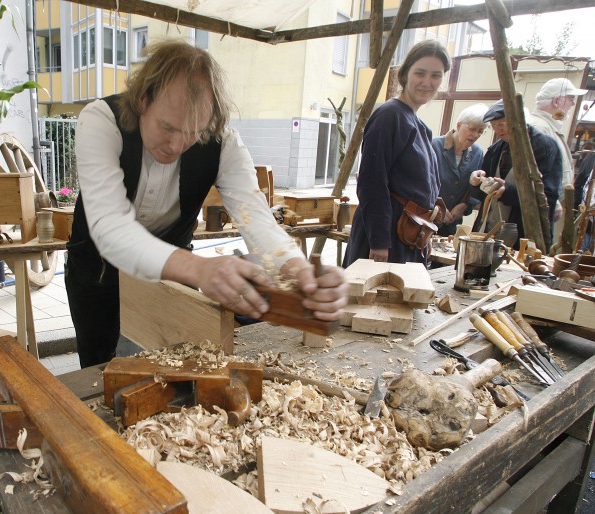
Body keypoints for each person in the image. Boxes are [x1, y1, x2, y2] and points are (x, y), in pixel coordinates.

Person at [65, 40, 349, 368]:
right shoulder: (100, 120)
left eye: (193, 132)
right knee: (98, 371)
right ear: (143, 99)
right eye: (167, 127)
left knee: (176, 366)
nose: (177, 145)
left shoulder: (222, 142)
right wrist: (200, 269)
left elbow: (255, 217)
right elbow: (111, 228)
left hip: (171, 279)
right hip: (97, 273)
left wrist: (296, 271)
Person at [343, 40, 450, 267]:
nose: (427, 82)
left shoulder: (420, 126)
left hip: (409, 234)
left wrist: (425, 231)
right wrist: (379, 241)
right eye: (420, 73)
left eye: (435, 75)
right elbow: (371, 181)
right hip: (387, 238)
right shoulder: (389, 116)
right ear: (405, 74)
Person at [472, 100, 562, 249]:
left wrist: (509, 192)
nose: (498, 130)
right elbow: (481, 195)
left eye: (502, 124)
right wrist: (476, 182)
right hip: (490, 231)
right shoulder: (496, 150)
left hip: (525, 234)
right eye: (494, 126)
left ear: (518, 120)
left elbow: (548, 196)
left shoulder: (544, 147)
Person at [527, 78, 588, 230]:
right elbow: (534, 171)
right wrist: (552, 201)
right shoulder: (539, 128)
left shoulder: (547, 127)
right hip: (544, 205)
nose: (572, 103)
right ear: (556, 101)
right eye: (570, 98)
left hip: (551, 202)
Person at [431, 104, 488, 237]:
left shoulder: (477, 153)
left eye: (480, 131)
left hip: (452, 226)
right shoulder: (433, 146)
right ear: (459, 125)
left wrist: (466, 205)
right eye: (472, 129)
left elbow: (474, 188)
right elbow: (420, 183)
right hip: (427, 220)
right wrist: (436, 207)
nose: (476, 135)